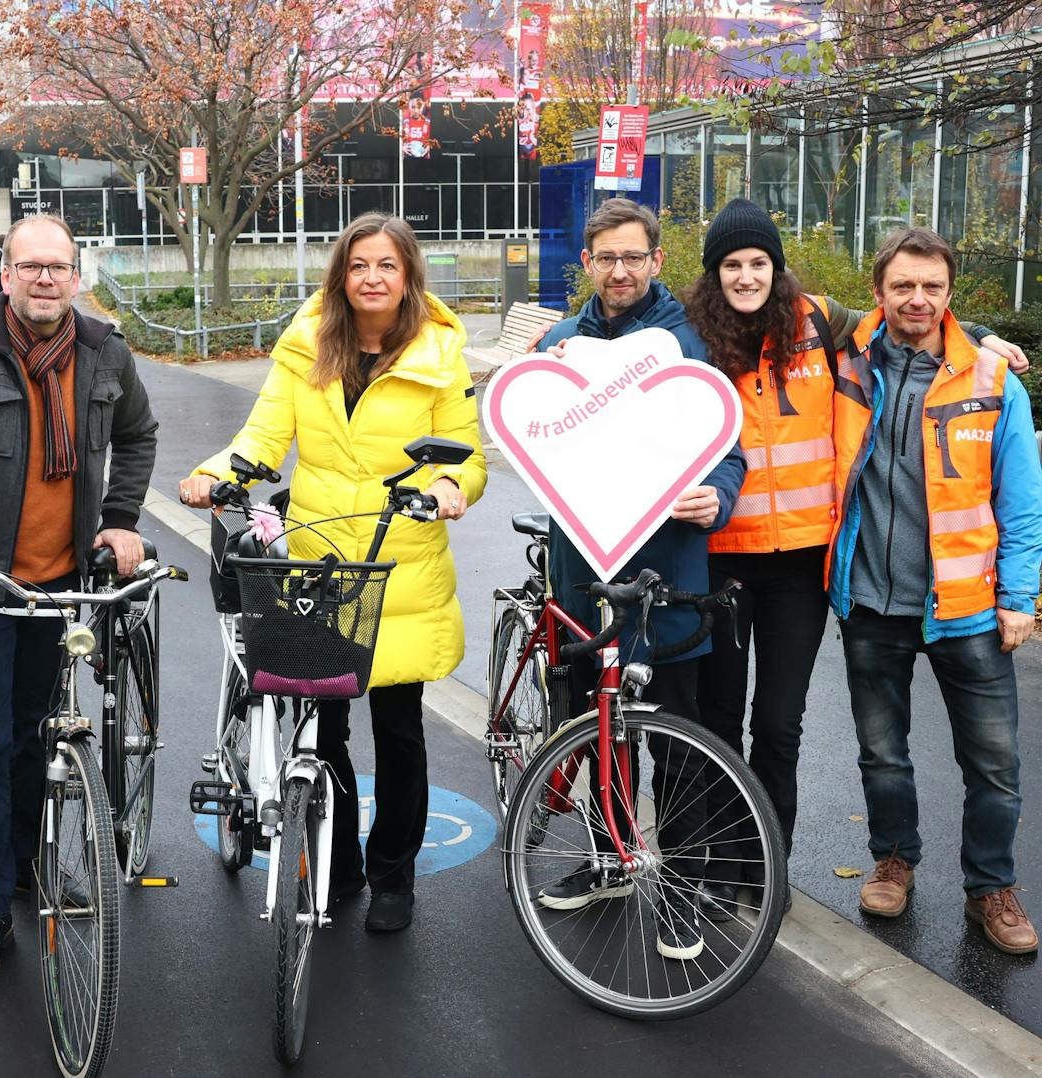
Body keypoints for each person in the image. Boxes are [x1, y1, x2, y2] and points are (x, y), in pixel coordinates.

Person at [681, 199, 1025, 920]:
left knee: (777, 726)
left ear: (777, 269)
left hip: (808, 569)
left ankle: (767, 864)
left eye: (759, 262)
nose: (747, 275)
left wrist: (987, 339)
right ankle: (720, 864)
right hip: (722, 561)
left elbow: (921, 318)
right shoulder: (690, 338)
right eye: (732, 264)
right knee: (718, 719)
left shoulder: (820, 323)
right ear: (714, 274)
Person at [182, 213, 487, 933]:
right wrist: (212, 473)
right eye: (359, 266)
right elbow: (263, 436)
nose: (372, 278)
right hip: (321, 561)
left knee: (400, 730)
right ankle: (338, 863)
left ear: (408, 273)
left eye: (386, 265)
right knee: (324, 726)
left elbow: (465, 457)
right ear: (340, 276)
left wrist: (450, 490)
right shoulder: (308, 342)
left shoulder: (440, 351)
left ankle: (392, 878)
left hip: (400, 560)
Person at [0, 214, 158, 984]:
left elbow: (140, 434)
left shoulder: (104, 352)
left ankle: (29, 869)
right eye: (30, 265)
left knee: (39, 738)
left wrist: (119, 522)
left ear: (76, 276)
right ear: (4, 274)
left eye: (59, 266)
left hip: (60, 588)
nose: (45, 278)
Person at [532, 198, 746, 962]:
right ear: (587, 263)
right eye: (606, 258)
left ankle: (682, 890)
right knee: (596, 733)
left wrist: (716, 496)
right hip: (581, 576)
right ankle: (608, 860)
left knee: (673, 741)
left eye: (633, 257)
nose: (619, 270)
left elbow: (729, 446)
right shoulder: (560, 344)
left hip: (668, 575)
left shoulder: (688, 346)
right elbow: (527, 429)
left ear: (656, 261)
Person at [828, 227, 1042, 953]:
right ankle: (894, 859)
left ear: (949, 294)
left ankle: (992, 889)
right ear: (880, 292)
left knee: (994, 764)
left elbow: (1020, 499)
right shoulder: (844, 365)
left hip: (969, 606)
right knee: (882, 752)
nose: (917, 299)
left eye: (932, 287)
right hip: (871, 601)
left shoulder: (990, 379)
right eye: (902, 286)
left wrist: (1020, 596)